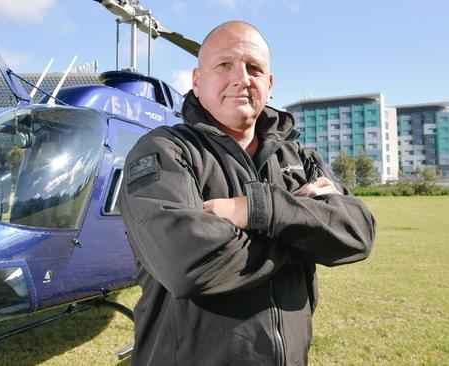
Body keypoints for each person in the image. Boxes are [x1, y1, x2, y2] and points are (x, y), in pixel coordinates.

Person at [119, 20, 375, 366]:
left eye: (254, 68)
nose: (241, 78)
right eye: (224, 65)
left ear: (268, 84)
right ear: (197, 80)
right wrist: (303, 228)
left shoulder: (299, 158)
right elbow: (187, 264)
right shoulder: (164, 150)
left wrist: (256, 209)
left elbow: (358, 232)